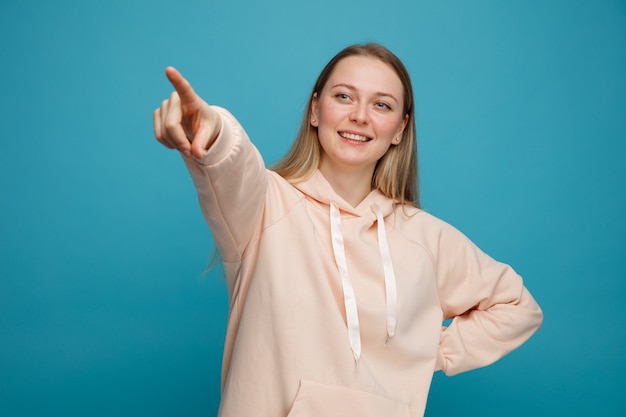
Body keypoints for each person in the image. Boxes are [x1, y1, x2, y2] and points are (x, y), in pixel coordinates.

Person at [153, 43, 543, 417]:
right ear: (314, 110)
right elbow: (230, 166)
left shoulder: (426, 238)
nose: (360, 115)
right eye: (343, 96)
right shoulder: (264, 206)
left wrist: (428, 350)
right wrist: (213, 129)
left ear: (400, 129)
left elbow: (517, 307)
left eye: (382, 105)